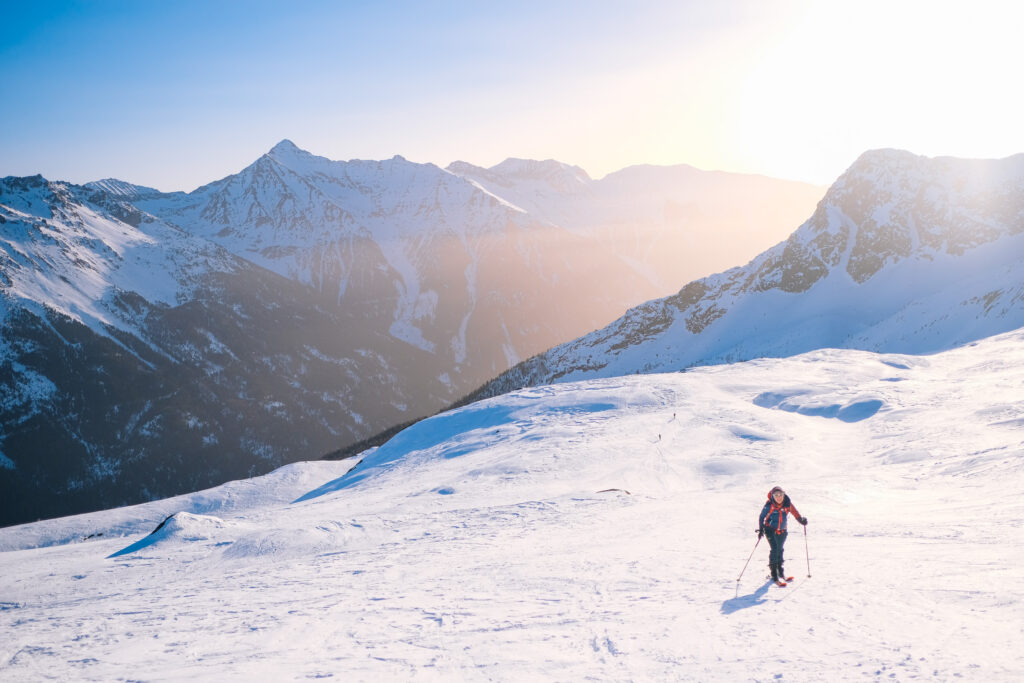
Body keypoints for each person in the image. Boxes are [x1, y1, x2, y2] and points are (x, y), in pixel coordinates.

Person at [758, 486, 807, 583]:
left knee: (780, 549)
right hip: (770, 530)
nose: (779, 497)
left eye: (781, 495)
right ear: (773, 496)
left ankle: (780, 570)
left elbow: (795, 513)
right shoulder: (769, 505)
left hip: (783, 531)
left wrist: (802, 521)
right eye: (776, 495)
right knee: (775, 549)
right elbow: (761, 516)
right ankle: (774, 573)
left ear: (784, 495)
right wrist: (760, 529)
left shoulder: (787, 504)